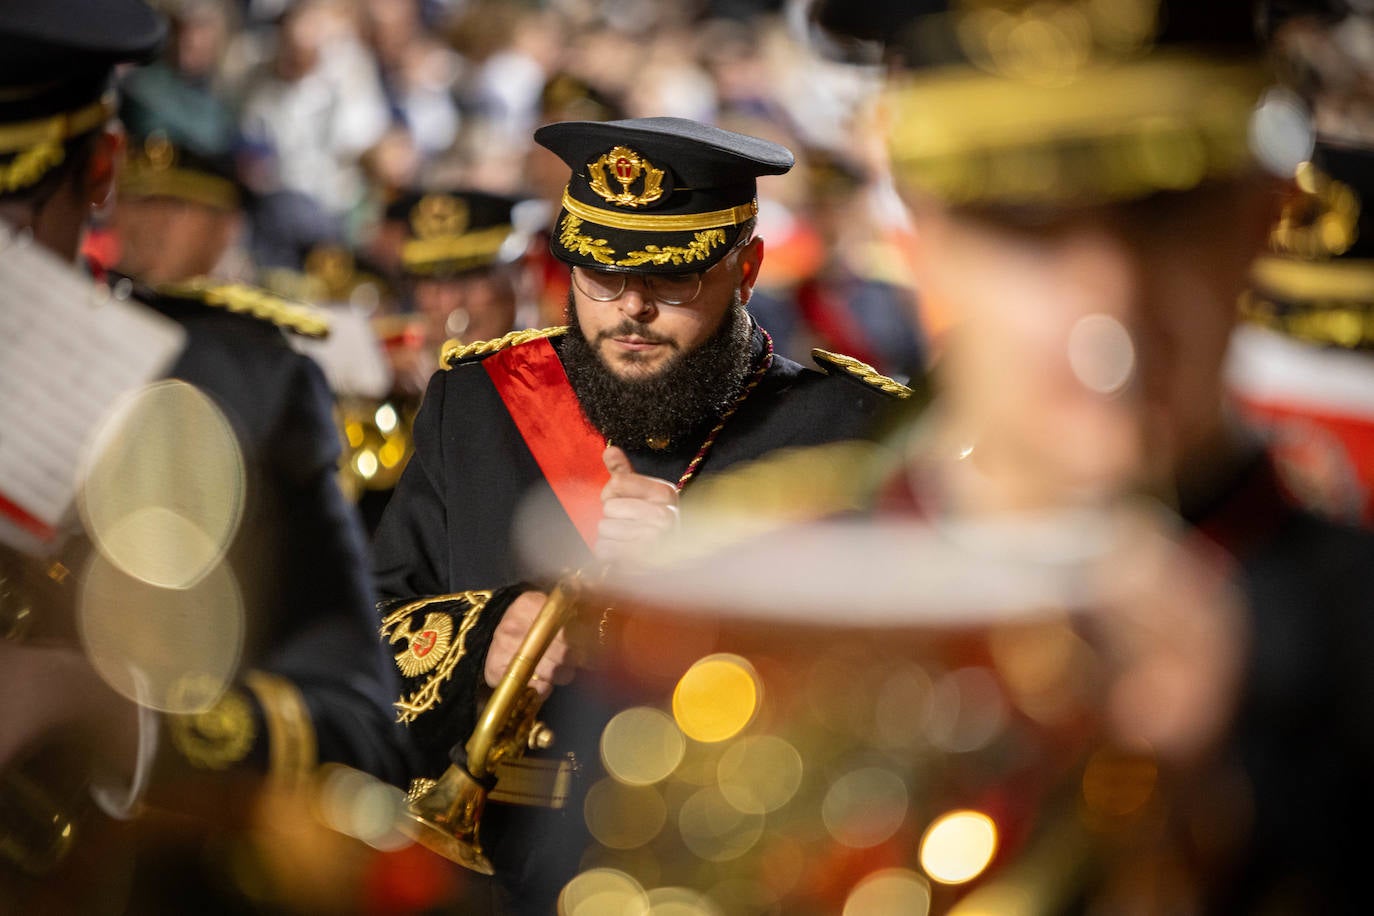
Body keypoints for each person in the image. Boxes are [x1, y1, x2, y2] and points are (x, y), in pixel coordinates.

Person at [803, 0, 1374, 912]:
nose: (1108, 289)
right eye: (1022, 220)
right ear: (924, 233)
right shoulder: (759, 609)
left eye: (1166, 210)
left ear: (1263, 219)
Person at [371, 115, 911, 912]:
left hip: (728, 872)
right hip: (488, 867)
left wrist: (709, 569)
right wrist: (487, 635)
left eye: (672, 276)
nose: (631, 308)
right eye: (600, 273)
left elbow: (889, 704)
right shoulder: (479, 402)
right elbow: (368, 633)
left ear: (748, 266)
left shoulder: (846, 429)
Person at [0, 2, 413, 911]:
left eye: (10, 205)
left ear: (99, 170)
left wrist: (112, 710)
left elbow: (359, 734)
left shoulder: (234, 381)